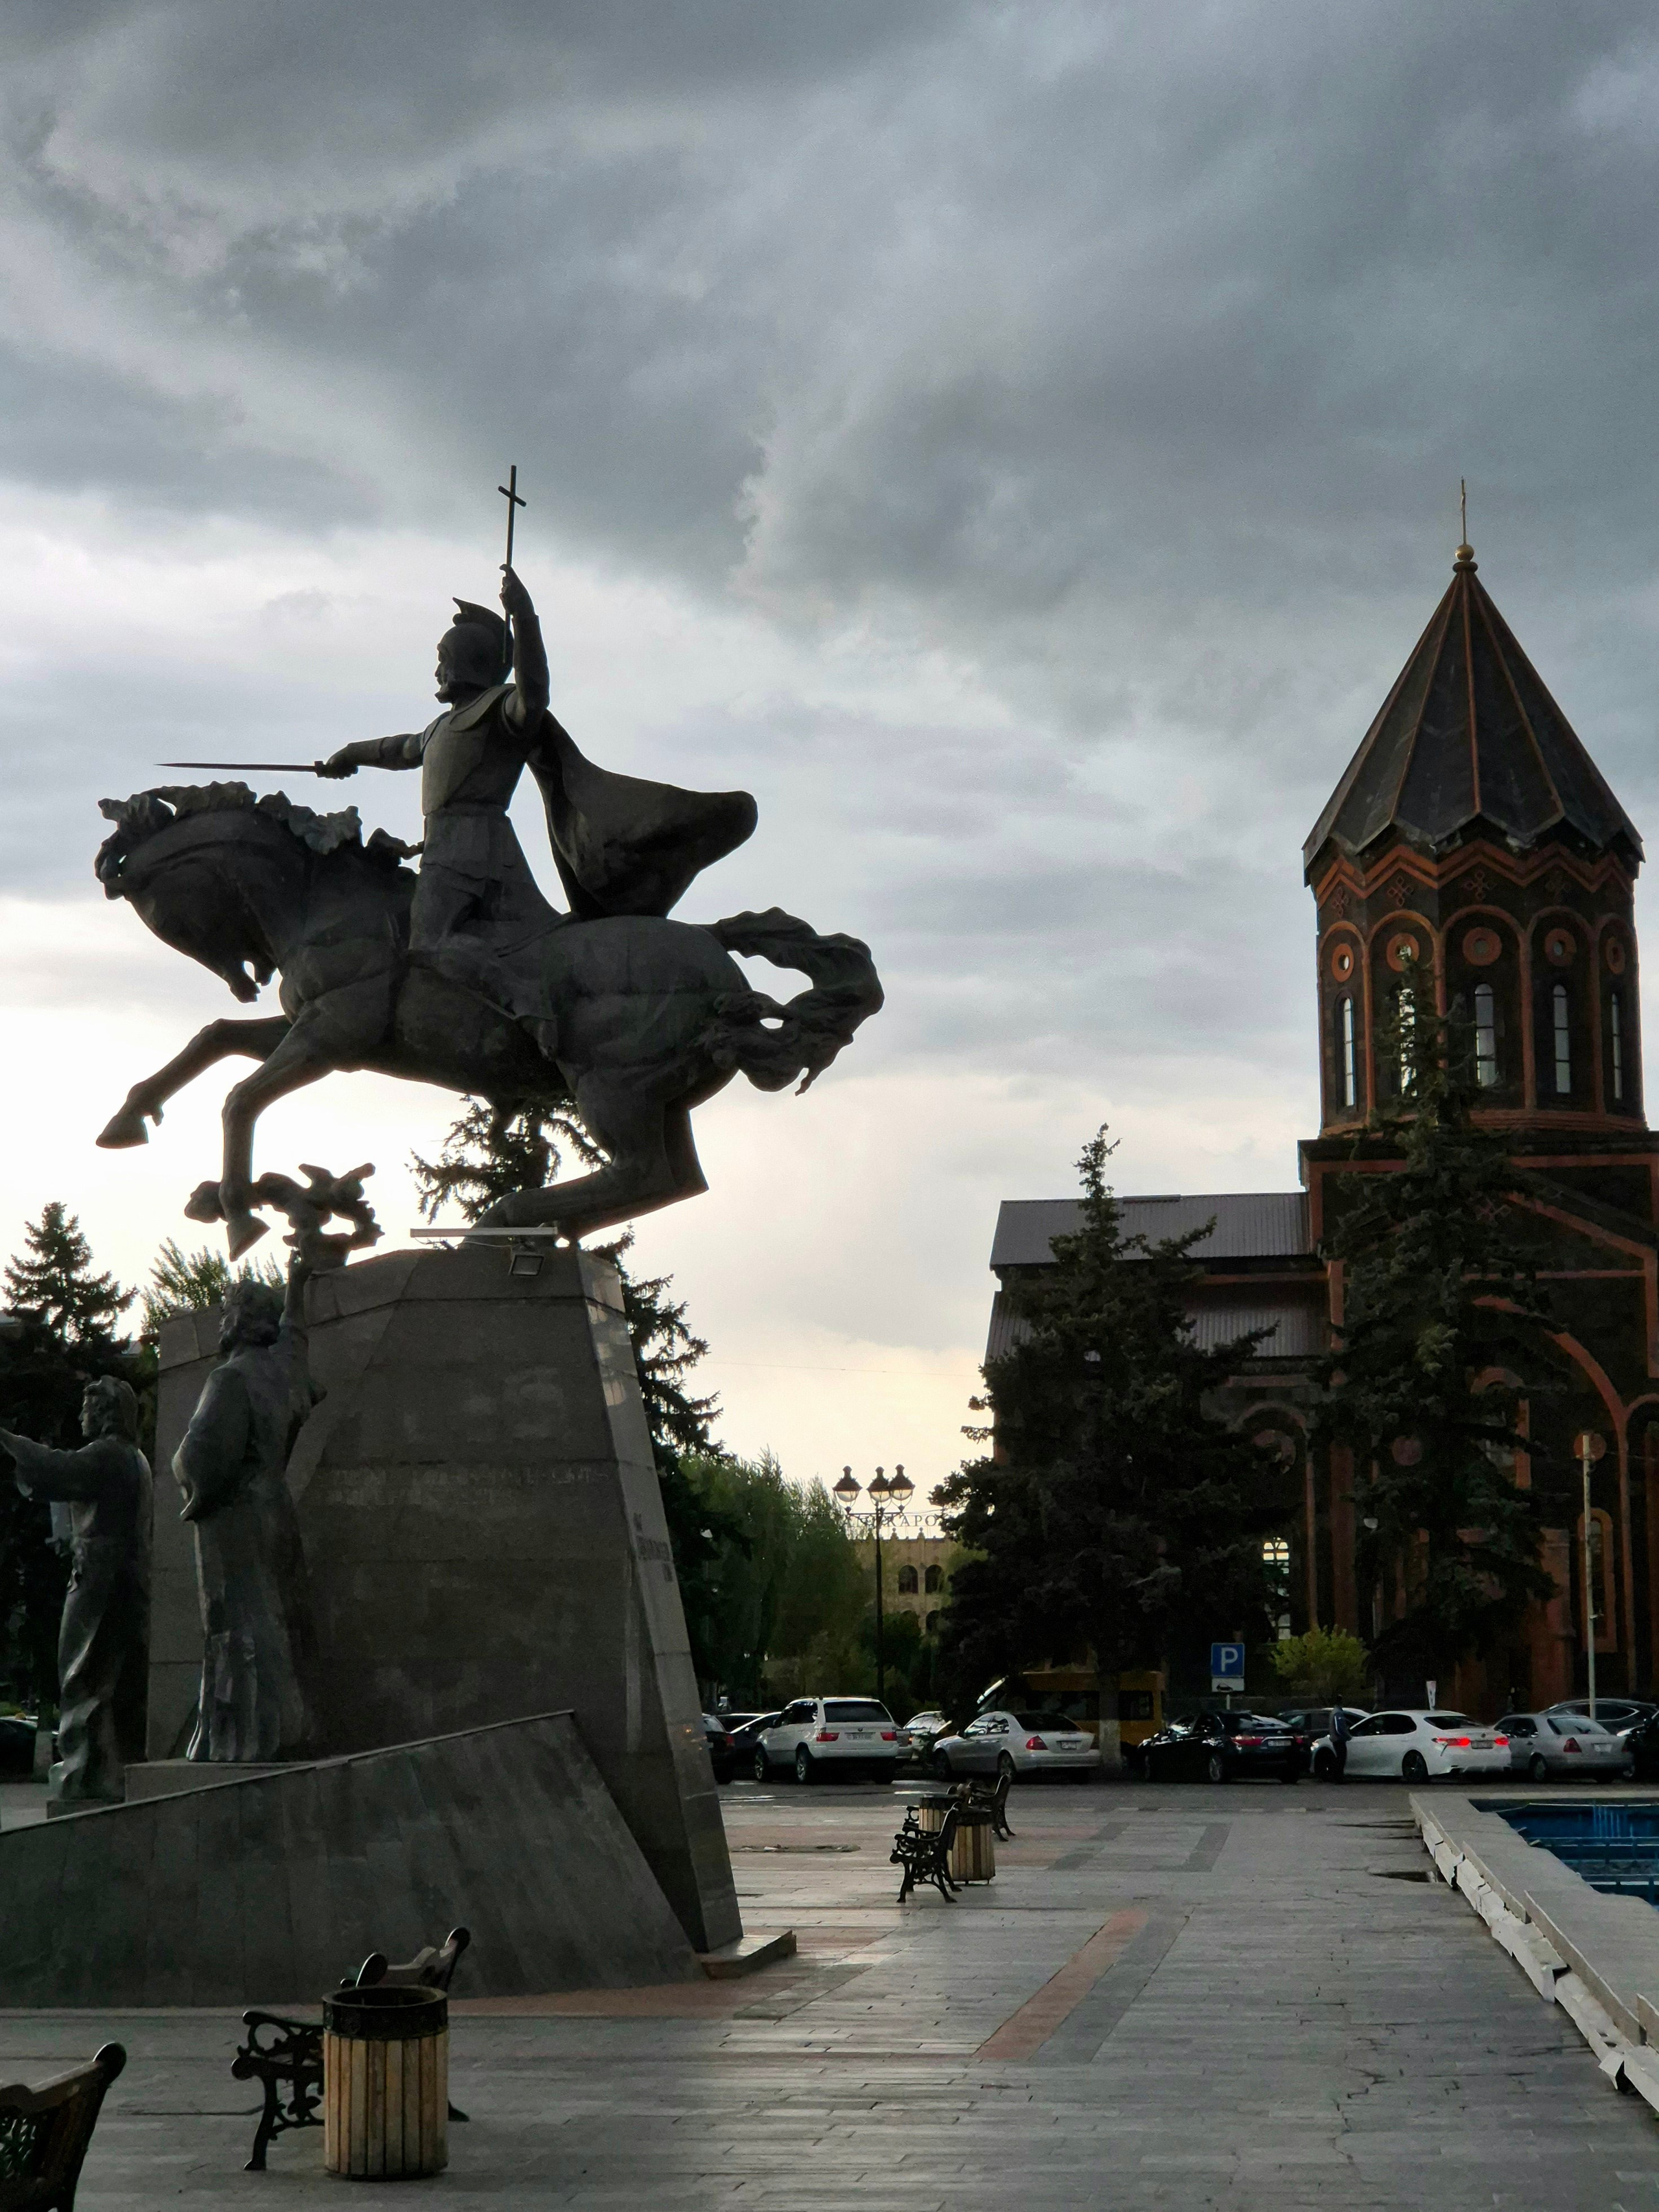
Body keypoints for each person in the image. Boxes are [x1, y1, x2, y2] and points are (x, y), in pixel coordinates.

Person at [317, 566, 557, 1019]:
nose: (437, 669)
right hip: (455, 843)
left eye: (443, 657)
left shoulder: (500, 707)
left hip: (469, 845)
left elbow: (535, 695)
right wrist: (350, 753)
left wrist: (524, 618)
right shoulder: (440, 727)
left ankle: (520, 1001)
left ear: (465, 661)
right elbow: (400, 749)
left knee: (426, 942)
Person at [173, 1257, 323, 1762]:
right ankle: (291, 1726)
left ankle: (244, 1737)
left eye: (226, 1312)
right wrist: (297, 1286)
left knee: (238, 1623)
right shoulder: (282, 1373)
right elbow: (296, 1340)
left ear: (239, 1321)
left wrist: (181, 1471)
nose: (220, 1322)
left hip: (236, 1519)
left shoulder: (229, 1380)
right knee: (279, 1619)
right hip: (276, 1509)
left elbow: (201, 1458)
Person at [0, 1377, 151, 1805]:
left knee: (82, 1678)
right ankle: (108, 1773)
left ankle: (85, 1776)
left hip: (99, 1584)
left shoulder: (107, 1454)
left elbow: (58, 1470)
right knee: (110, 1683)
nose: (82, 1415)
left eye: (88, 1407)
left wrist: (11, 1440)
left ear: (106, 1413)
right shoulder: (135, 1457)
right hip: (126, 1583)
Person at [1328, 1699, 1350, 1780]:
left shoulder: (1334, 1712)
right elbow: (1339, 1728)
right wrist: (1347, 1736)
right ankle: (1338, 1777)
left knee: (1339, 1758)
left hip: (1335, 1739)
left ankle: (1337, 1776)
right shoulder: (1338, 1713)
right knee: (1341, 1758)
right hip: (1339, 1739)